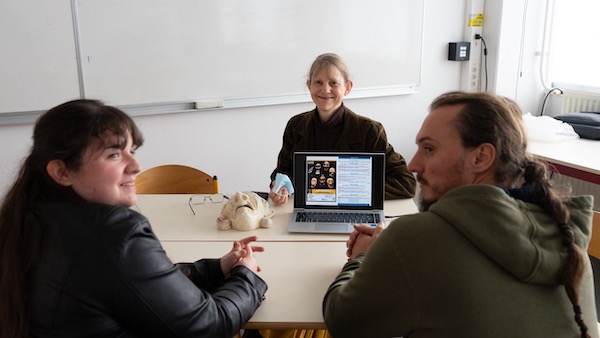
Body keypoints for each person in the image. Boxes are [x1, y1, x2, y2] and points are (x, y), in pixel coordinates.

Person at [322, 91, 598, 338]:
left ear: (481, 157)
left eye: (429, 149)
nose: (414, 164)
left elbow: (342, 321)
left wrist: (363, 256)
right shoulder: (564, 230)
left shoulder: (412, 239)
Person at [0, 99, 267, 338]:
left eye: (132, 151)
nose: (136, 166)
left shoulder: (28, 214)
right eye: (114, 154)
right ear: (61, 172)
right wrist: (246, 276)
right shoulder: (115, 233)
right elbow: (209, 325)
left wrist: (216, 268)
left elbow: (133, 281)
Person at [268, 53, 416, 205]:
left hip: (355, 212)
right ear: (309, 86)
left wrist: (352, 193)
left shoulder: (370, 131)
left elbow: (406, 183)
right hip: (307, 209)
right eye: (318, 82)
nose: (325, 89)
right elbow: (284, 171)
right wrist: (280, 186)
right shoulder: (295, 126)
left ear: (347, 87)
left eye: (333, 83)